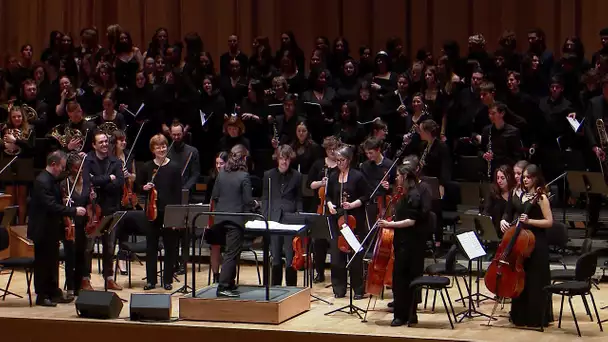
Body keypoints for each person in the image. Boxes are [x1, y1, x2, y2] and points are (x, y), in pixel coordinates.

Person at [28, 151, 86, 306]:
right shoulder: (42, 181)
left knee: (52, 262)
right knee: (43, 263)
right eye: (61, 166)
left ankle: (53, 292)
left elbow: (54, 201)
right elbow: (50, 206)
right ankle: (42, 296)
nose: (62, 169)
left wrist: (63, 199)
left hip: (51, 229)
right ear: (53, 165)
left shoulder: (51, 180)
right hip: (42, 229)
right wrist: (74, 211)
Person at [501, 164, 553, 327]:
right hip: (523, 242)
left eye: (528, 177)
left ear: (536, 178)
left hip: (537, 243)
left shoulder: (542, 197)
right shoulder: (523, 195)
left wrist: (530, 221)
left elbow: (549, 222)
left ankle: (536, 318)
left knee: (535, 281)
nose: (525, 179)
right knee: (522, 278)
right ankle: (520, 316)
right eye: (524, 177)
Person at [379, 162, 429, 326]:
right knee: (401, 279)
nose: (397, 178)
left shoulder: (414, 195)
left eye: (399, 176)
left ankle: (403, 315)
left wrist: (389, 225)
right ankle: (406, 314)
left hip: (410, 244)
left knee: (404, 279)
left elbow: (411, 221)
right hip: (404, 242)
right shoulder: (404, 193)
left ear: (406, 176)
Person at [207, 144, 257, 297]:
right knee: (231, 253)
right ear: (244, 158)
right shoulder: (244, 176)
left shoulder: (221, 174)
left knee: (231, 252)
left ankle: (230, 282)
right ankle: (223, 287)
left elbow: (215, 195)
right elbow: (248, 200)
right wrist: (256, 204)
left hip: (220, 219)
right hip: (235, 220)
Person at [326, 145, 371, 299]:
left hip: (353, 219)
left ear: (349, 160)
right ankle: (339, 289)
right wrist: (330, 205)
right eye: (337, 160)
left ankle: (358, 289)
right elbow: (328, 196)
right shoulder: (333, 176)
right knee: (337, 255)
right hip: (336, 219)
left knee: (355, 256)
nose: (339, 163)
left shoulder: (357, 176)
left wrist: (352, 204)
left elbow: (366, 196)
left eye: (342, 160)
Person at [82, 130, 124, 290]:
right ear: (94, 145)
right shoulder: (87, 161)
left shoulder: (115, 162)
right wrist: (108, 178)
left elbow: (119, 182)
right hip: (93, 209)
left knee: (110, 246)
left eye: (106, 141)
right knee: (89, 247)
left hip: (111, 208)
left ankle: (109, 278)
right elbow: (87, 180)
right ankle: (85, 278)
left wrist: (99, 182)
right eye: (101, 142)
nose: (105, 144)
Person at [140, 134, 182, 290]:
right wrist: (144, 188)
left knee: (170, 246)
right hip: (151, 212)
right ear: (153, 149)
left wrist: (177, 216)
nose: (161, 149)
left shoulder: (174, 167)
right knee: (151, 246)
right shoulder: (147, 167)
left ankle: (167, 280)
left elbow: (177, 193)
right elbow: (139, 188)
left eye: (163, 146)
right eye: (158, 147)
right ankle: (151, 280)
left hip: (169, 211)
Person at [262, 145, 303, 286]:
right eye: (281, 158)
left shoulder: (297, 176)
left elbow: (299, 198)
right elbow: (265, 198)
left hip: (290, 219)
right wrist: (265, 215)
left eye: (286, 159)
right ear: (277, 159)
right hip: (273, 218)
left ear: (290, 160)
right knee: (276, 255)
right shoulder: (268, 175)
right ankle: (275, 287)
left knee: (291, 255)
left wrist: (298, 216)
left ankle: (291, 288)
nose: (284, 162)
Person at [483, 165, 516, 237]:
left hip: (512, 230)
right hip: (496, 229)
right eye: (497, 178)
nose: (499, 181)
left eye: (502, 178)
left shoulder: (515, 192)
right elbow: (486, 210)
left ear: (509, 178)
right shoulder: (493, 192)